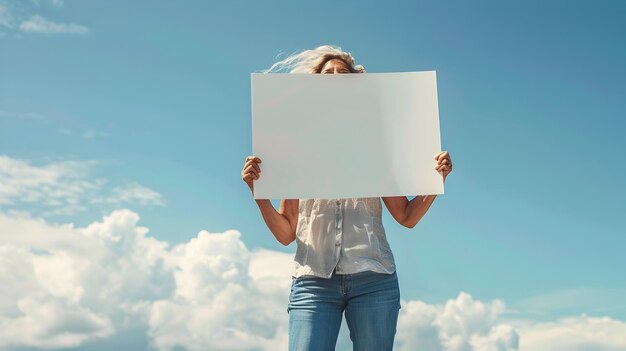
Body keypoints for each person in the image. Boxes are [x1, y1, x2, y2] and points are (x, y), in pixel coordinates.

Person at [241, 45, 453, 351]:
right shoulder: (296, 153)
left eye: (344, 74)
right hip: (313, 281)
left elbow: (406, 217)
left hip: (374, 279)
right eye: (329, 74)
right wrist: (258, 193)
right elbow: (287, 233)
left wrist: (435, 181)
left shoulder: (377, 151)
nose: (337, 78)